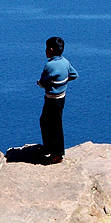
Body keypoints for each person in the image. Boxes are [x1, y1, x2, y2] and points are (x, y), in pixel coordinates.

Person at [36, 36, 78, 164]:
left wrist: (41, 83)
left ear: (51, 50)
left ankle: (57, 154)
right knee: (49, 122)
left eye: (47, 49)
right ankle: (50, 148)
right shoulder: (65, 62)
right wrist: (62, 83)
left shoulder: (49, 65)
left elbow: (43, 82)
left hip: (52, 99)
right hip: (61, 98)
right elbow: (74, 75)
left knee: (53, 125)